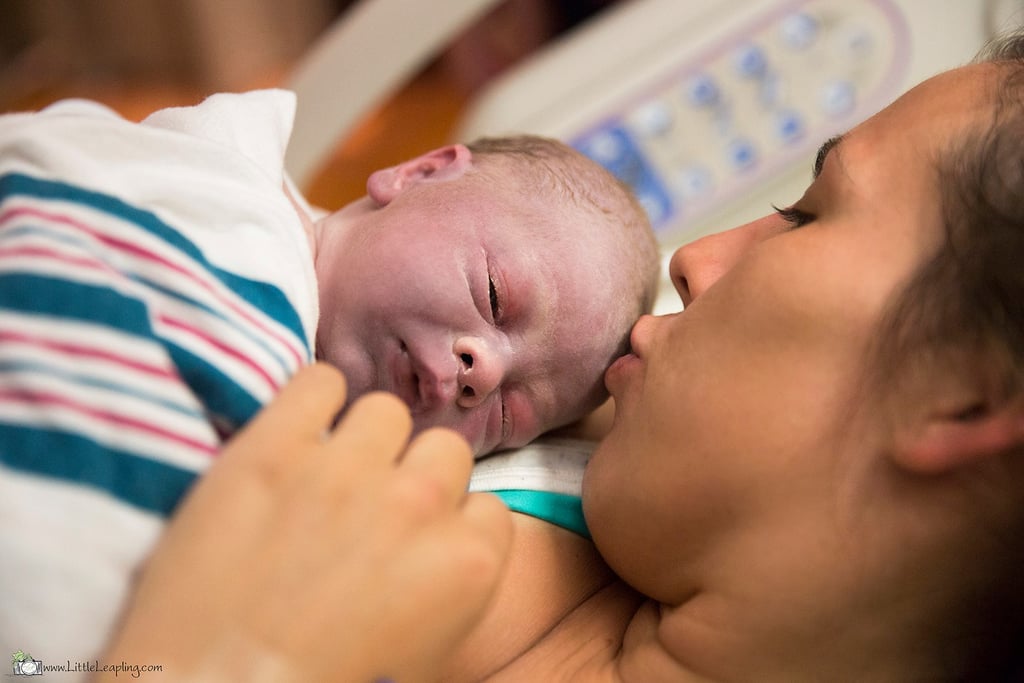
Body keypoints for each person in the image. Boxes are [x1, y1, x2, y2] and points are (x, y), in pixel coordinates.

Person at [0, 90, 658, 673]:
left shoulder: (320, 470)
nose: (480, 373)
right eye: (492, 294)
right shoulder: (213, 200)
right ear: (418, 172)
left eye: (507, 415)